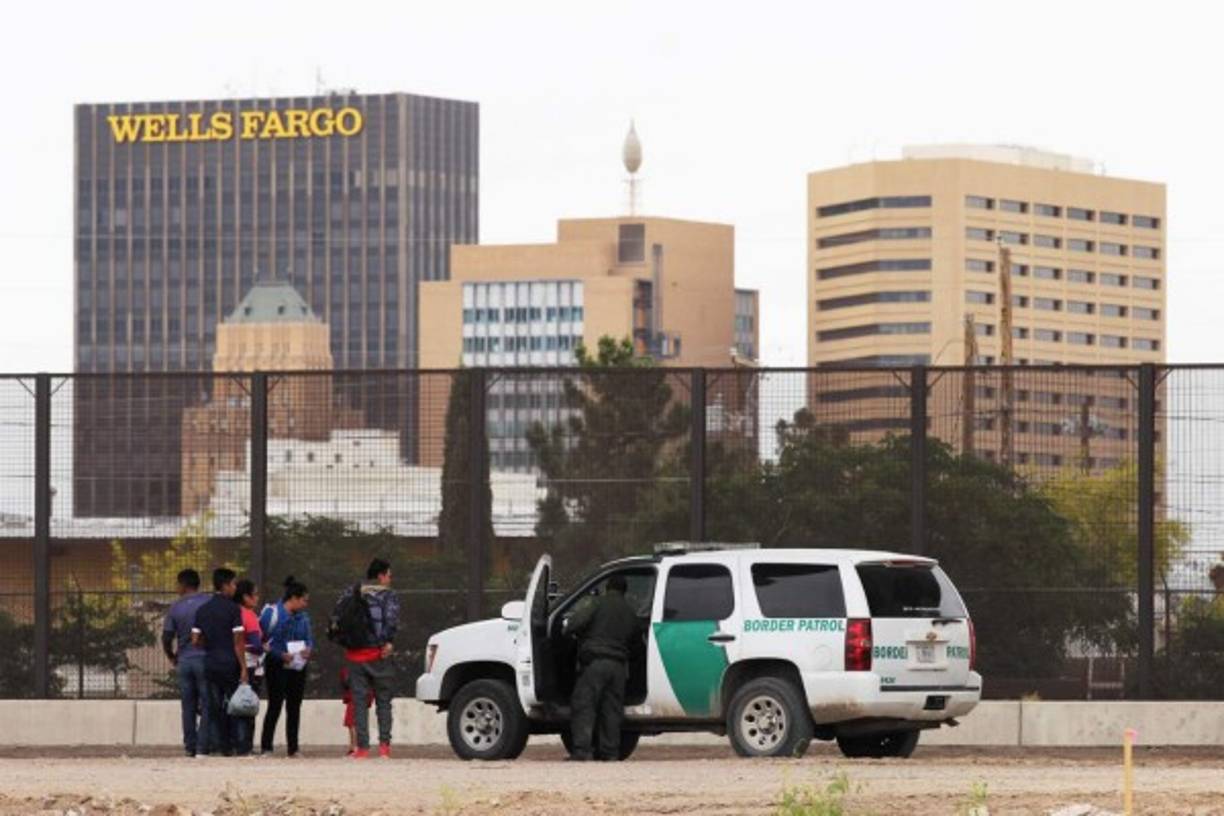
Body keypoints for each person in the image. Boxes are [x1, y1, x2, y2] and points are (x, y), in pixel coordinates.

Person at [564, 574, 642, 762]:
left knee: (584, 705)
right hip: (618, 668)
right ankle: (610, 753)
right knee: (612, 711)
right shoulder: (631, 612)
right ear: (624, 591)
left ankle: (583, 751)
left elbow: (574, 624)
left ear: (608, 588)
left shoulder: (597, 603)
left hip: (595, 664)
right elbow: (637, 643)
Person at [335, 557, 400, 759]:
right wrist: (388, 641)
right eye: (389, 575)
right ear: (381, 576)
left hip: (355, 656)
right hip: (378, 654)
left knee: (359, 702)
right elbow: (390, 620)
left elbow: (338, 619)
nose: (390, 579)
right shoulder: (388, 596)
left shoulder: (350, 592)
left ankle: (362, 748)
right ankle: (384, 747)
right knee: (383, 701)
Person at [190, 567, 248, 757]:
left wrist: (211, 644)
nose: (235, 588)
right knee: (235, 705)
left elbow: (195, 640)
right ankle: (238, 747)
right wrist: (243, 667)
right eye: (233, 584)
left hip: (210, 662)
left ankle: (205, 747)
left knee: (211, 707)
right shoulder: (233, 609)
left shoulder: (203, 609)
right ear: (225, 585)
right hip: (230, 663)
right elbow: (238, 641)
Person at [260, 576, 313, 758]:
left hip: (297, 666)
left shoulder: (303, 618)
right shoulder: (272, 614)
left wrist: (308, 650)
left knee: (294, 706)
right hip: (277, 664)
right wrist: (279, 654)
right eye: (304, 600)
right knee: (275, 704)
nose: (306, 604)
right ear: (294, 598)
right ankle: (266, 746)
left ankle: (293, 747)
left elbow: (309, 638)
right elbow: (262, 641)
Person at [161, 569, 211, 758]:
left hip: (184, 660)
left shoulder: (175, 607)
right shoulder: (208, 602)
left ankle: (189, 746)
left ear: (182, 585)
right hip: (205, 658)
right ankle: (202, 746)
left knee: (188, 704)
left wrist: (171, 655)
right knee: (207, 703)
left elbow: (166, 636)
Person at [233, 579, 264, 757]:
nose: (257, 597)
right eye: (255, 594)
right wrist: (263, 647)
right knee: (247, 706)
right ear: (246, 597)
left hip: (232, 663)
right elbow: (256, 644)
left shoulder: (232, 612)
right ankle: (245, 746)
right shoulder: (249, 615)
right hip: (250, 664)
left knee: (233, 705)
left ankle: (233, 743)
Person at [340, 665, 373, 757]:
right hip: (357, 696)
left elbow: (347, 682)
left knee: (352, 723)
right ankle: (355, 747)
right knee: (352, 722)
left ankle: (355, 748)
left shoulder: (355, 667)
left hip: (356, 696)